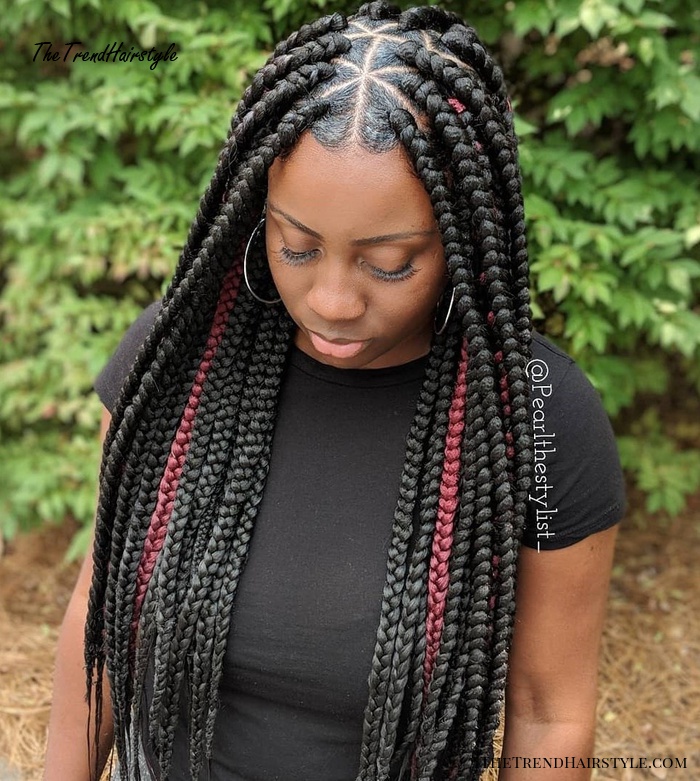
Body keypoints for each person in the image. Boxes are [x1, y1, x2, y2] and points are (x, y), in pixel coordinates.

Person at [43, 3, 626, 780]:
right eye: (296, 246)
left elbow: (549, 708)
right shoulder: (176, 358)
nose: (332, 300)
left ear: (460, 233)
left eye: (389, 262)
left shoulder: (538, 416)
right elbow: (100, 614)